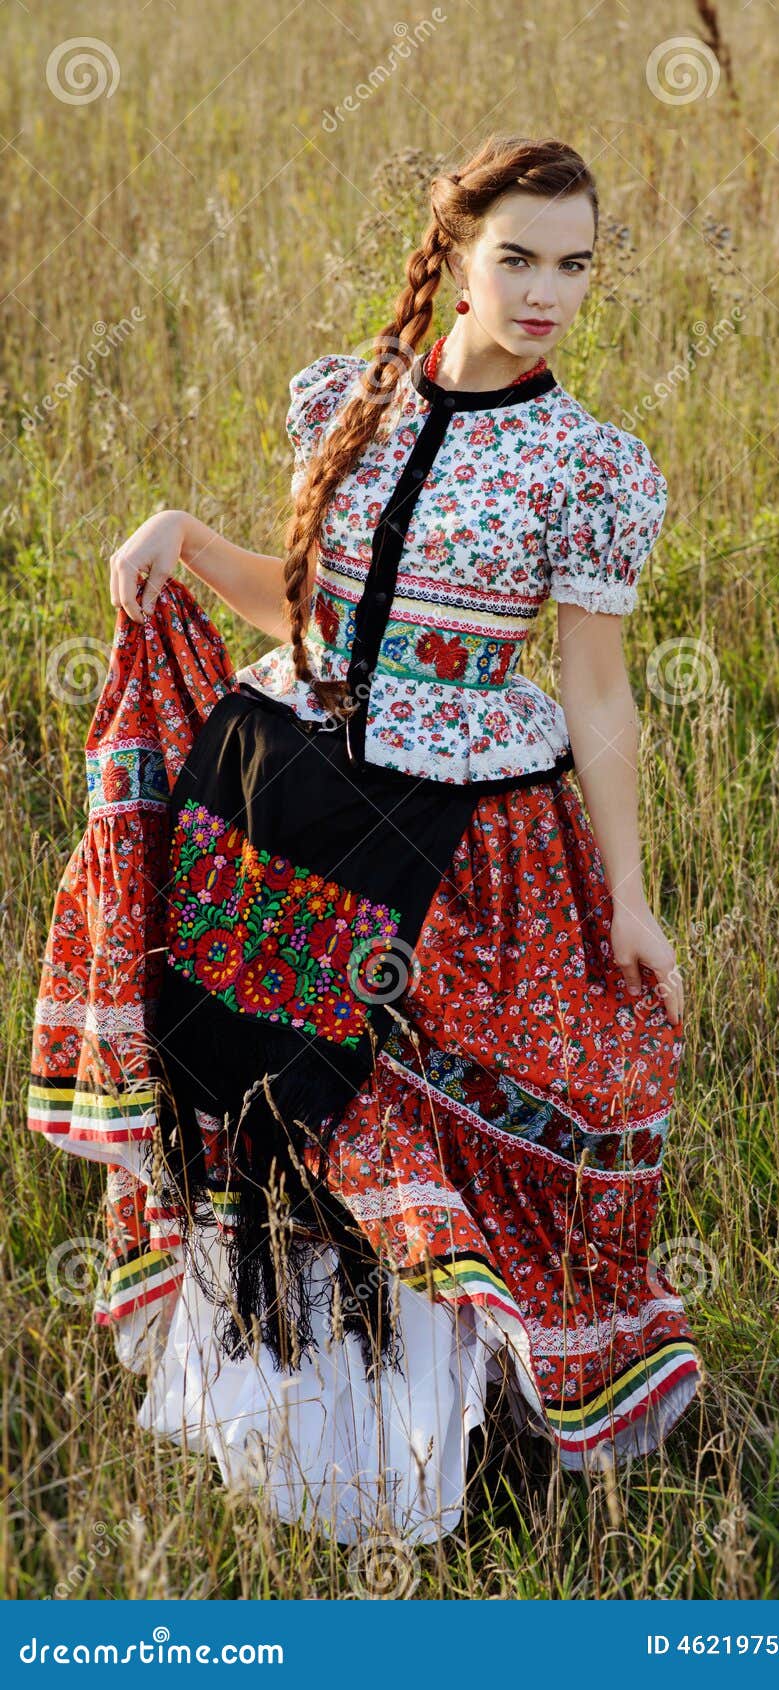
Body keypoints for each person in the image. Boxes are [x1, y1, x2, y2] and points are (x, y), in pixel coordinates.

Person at [27, 134, 703, 1551]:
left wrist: (631, 895)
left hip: (466, 845)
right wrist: (184, 538)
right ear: (454, 251)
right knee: (272, 1111)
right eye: (518, 256)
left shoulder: (590, 465)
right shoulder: (348, 398)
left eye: (575, 264)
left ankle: (433, 1454)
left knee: (403, 1130)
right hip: (290, 798)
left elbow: (595, 692)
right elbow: (319, 620)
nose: (546, 292)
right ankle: (293, 1438)